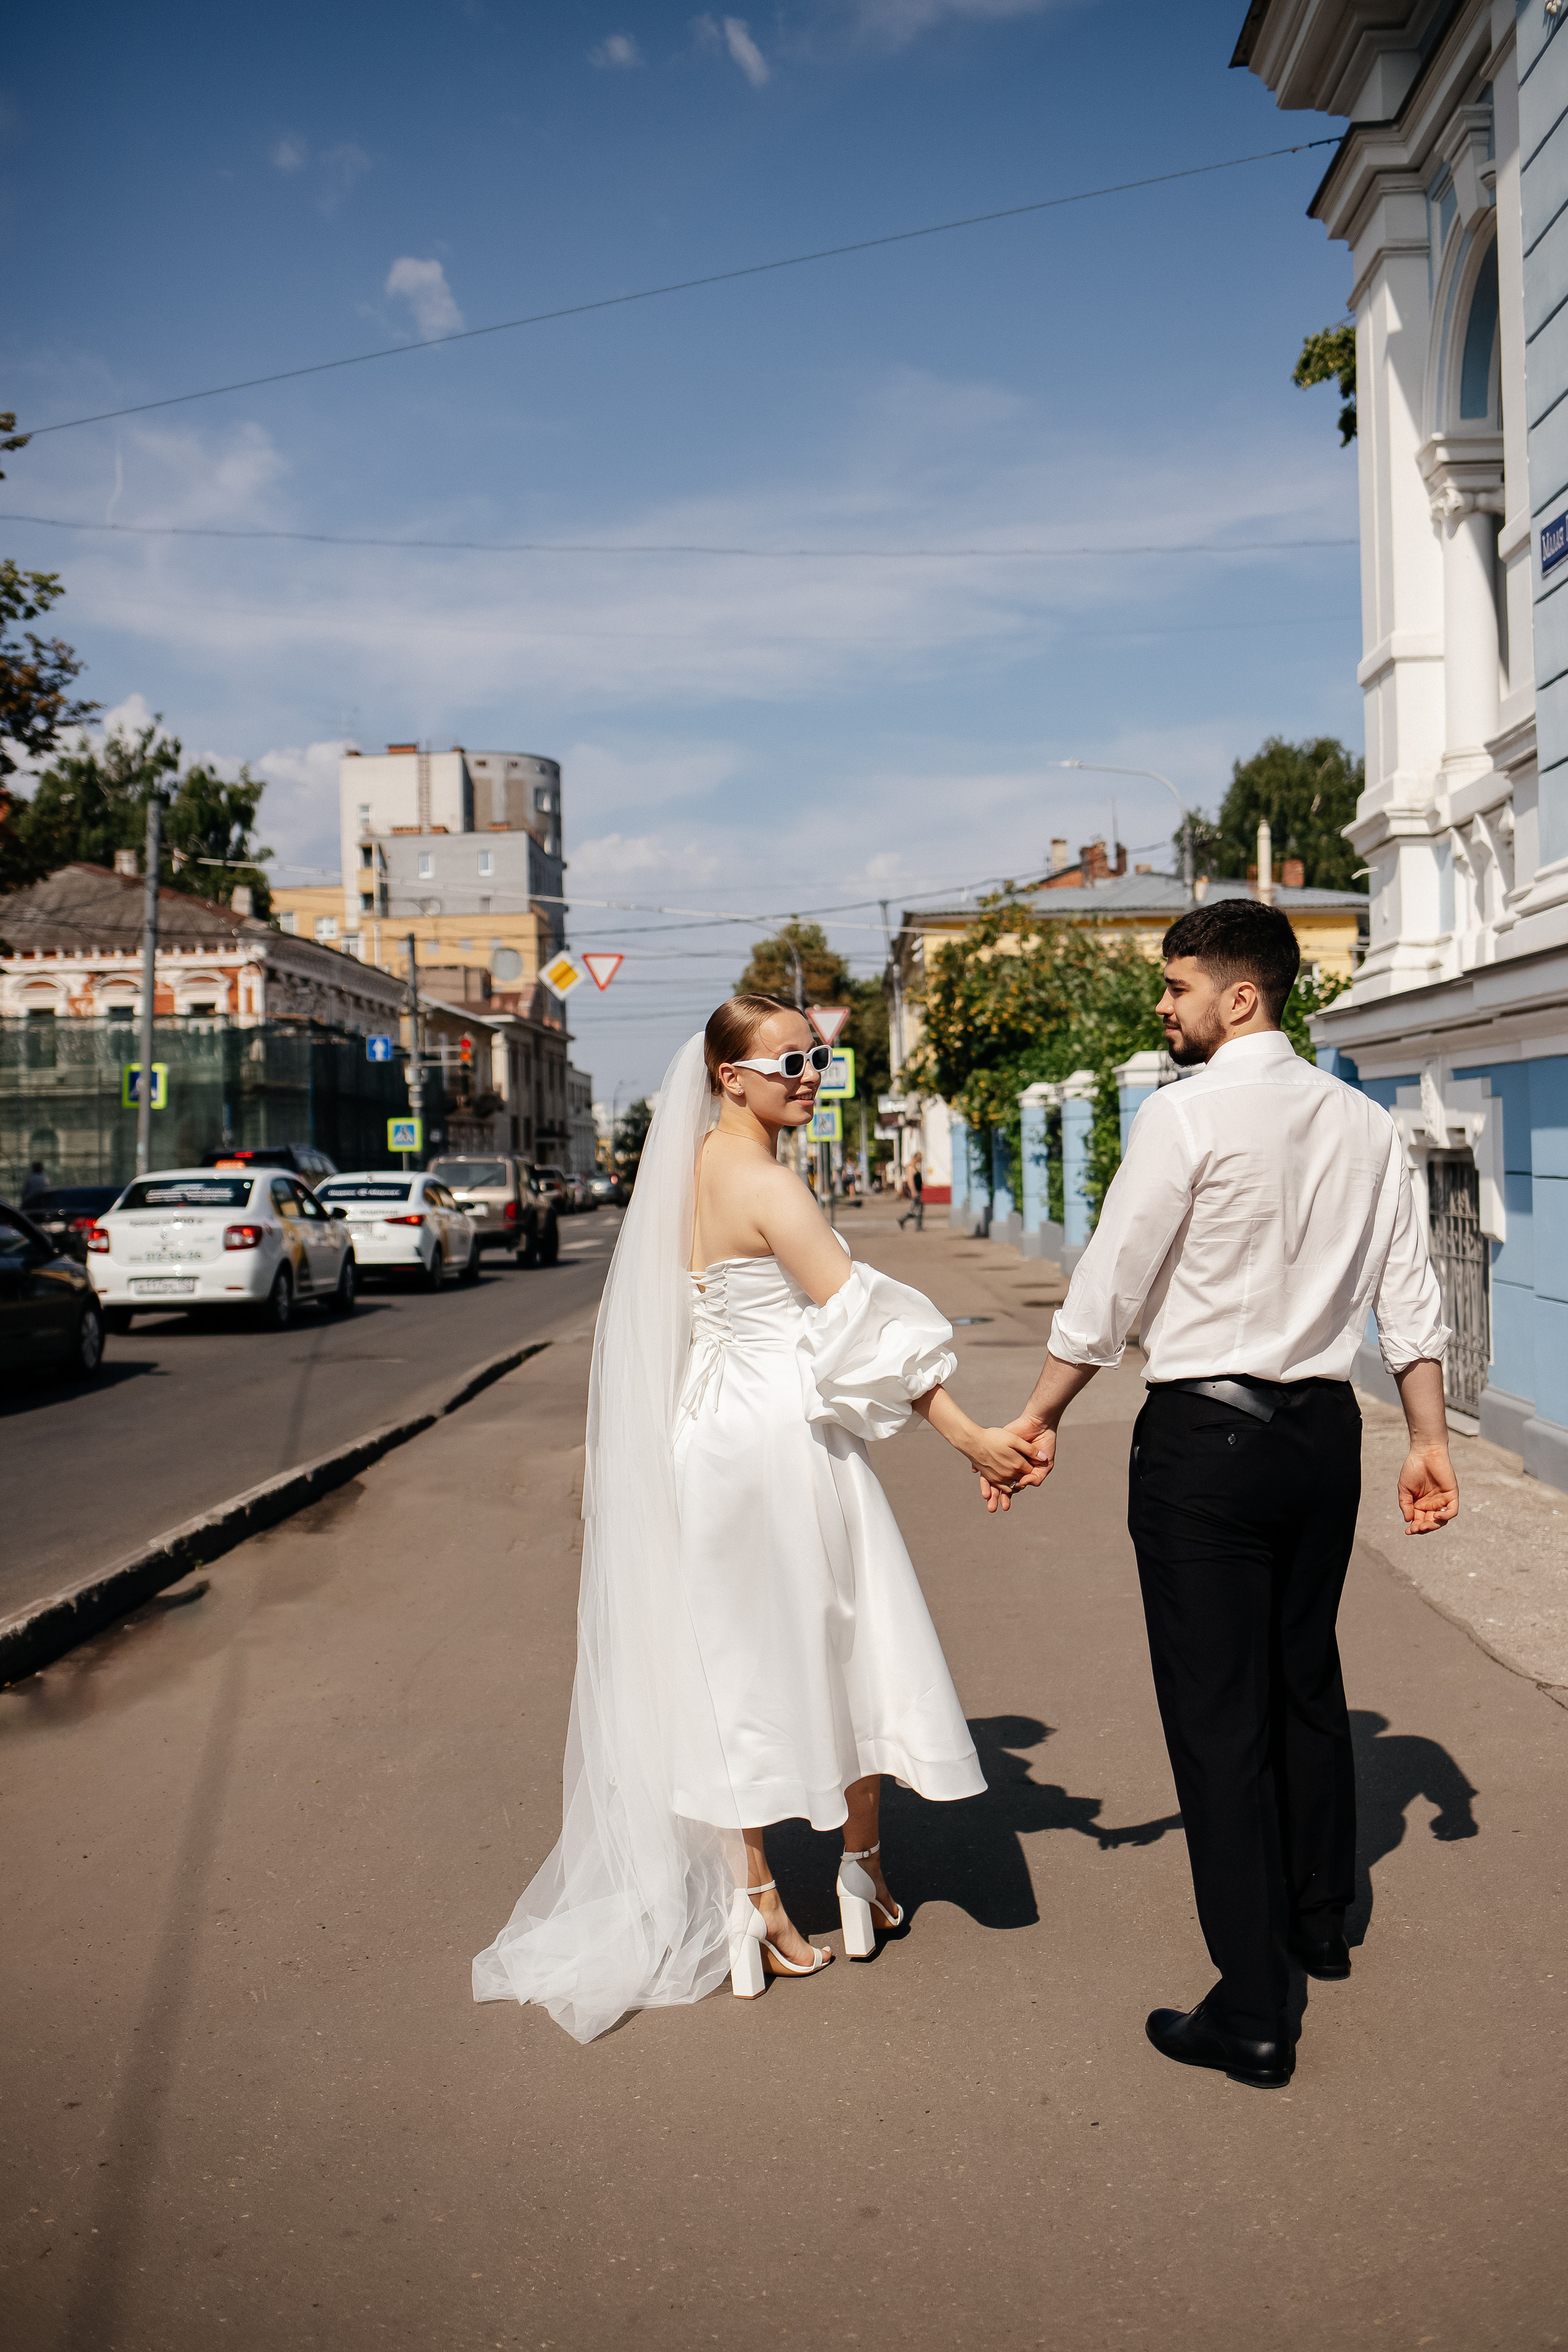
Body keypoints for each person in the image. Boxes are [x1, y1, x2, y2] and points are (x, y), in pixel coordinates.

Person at [474, 995, 1038, 2042]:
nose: (810, 1077)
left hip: (706, 1442)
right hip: (786, 1436)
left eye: (816, 1060)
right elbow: (862, 1326)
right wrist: (972, 1436)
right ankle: (863, 1878)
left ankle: (754, 1903)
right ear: (728, 1076)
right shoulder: (770, 1185)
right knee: (848, 1635)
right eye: (788, 1064)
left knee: (725, 1662)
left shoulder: (677, 1179)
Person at [989, 899, 1457, 2090]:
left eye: (1175, 985)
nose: (1163, 1005)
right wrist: (1426, 1442)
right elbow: (1409, 1293)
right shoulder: (1363, 1124)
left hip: (1205, 1440)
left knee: (1216, 1718)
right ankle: (1316, 1927)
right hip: (1320, 1436)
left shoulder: (1183, 1115)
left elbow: (1109, 1283)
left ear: (1237, 995)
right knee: (1304, 1676)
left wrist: (1037, 1414)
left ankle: (1253, 2011)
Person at [897, 1152, 924, 1232]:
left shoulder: (915, 1167)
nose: (921, 1160)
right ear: (916, 1158)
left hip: (918, 1191)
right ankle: (903, 1220)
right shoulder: (910, 1168)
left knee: (918, 1209)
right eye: (920, 1158)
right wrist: (913, 1191)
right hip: (916, 1192)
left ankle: (918, 1226)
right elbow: (910, 1181)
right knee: (917, 1210)